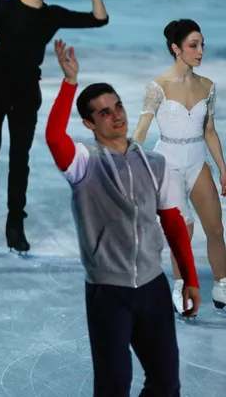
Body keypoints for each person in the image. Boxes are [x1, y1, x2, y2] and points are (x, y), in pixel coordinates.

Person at [46, 38, 201, 397]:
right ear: (88, 123)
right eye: (103, 112)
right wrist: (69, 82)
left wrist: (189, 277)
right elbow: (54, 138)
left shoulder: (154, 163)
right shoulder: (84, 163)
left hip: (153, 288)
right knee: (113, 387)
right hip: (108, 293)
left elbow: (173, 222)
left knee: (165, 384)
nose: (116, 115)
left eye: (117, 107)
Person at [0, 0, 109, 254]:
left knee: (20, 159)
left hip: (27, 91)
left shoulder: (51, 15)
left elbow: (98, 19)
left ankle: (15, 225)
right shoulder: (5, 8)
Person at [132, 19, 226, 314]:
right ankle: (182, 285)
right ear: (176, 48)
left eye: (201, 45)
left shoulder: (208, 86)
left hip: (198, 161)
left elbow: (209, 130)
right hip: (168, 163)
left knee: (215, 228)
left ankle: (222, 284)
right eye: (193, 46)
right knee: (182, 232)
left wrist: (223, 169)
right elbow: (143, 129)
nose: (200, 51)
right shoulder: (158, 87)